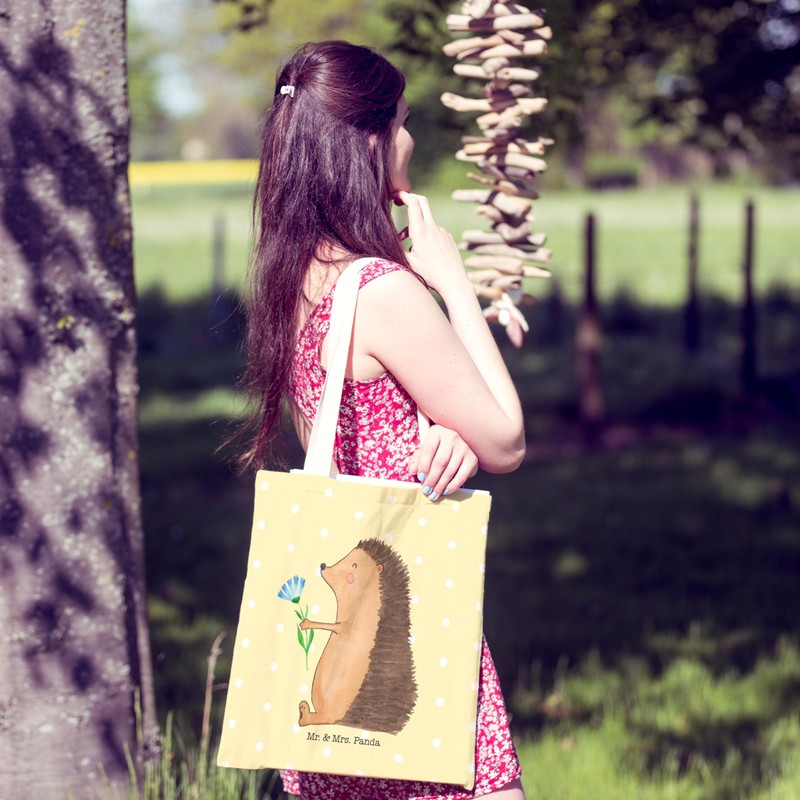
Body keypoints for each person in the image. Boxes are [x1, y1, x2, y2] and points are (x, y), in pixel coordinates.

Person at [236, 39, 527, 800]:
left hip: (334, 660)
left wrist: (435, 433)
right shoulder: (384, 291)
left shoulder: (294, 278)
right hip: (408, 633)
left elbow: (342, 435)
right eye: (400, 122)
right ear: (367, 141)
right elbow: (507, 439)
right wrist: (454, 284)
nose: (410, 139)